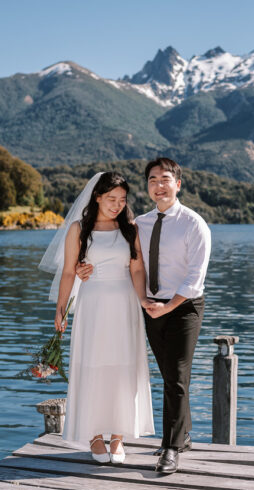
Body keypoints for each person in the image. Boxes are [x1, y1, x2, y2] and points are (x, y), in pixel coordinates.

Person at [78, 157, 211, 474]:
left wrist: (168, 306)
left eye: (165, 179)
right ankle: (183, 435)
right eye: (152, 180)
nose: (158, 185)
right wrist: (86, 269)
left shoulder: (194, 224)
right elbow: (124, 264)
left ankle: (171, 448)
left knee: (176, 375)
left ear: (178, 184)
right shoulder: (138, 224)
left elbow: (195, 279)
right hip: (150, 306)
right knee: (169, 375)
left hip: (184, 306)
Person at [39, 171, 154, 465]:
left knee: (122, 367)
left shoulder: (130, 229)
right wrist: (60, 309)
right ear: (98, 197)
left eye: (122, 199)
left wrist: (143, 299)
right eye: (111, 198)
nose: (117, 204)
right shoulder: (79, 229)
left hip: (126, 305)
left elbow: (137, 269)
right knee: (93, 366)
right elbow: (68, 272)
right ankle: (94, 435)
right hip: (93, 305)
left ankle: (118, 436)